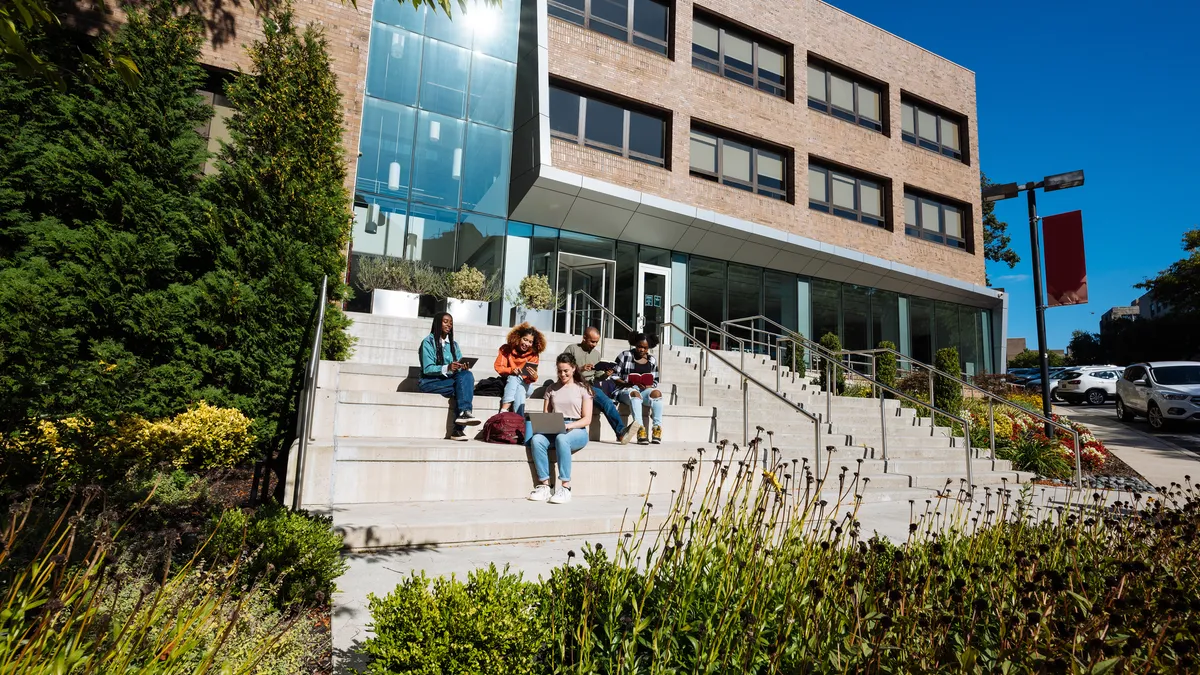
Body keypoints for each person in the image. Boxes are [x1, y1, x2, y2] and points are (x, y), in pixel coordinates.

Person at [527, 353, 593, 504]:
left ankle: (565, 487)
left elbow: (587, 419)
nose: (562, 374)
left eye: (566, 371)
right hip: (556, 426)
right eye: (559, 371)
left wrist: (569, 425)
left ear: (574, 369)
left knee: (562, 438)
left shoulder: (583, 389)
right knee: (537, 440)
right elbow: (546, 414)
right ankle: (545, 486)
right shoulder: (551, 389)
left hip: (577, 429)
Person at [561, 327, 639, 444]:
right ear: (584, 338)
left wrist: (605, 375)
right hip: (573, 383)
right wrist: (580, 369)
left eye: (596, 342)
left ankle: (621, 433)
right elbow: (563, 369)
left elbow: (597, 376)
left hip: (589, 386)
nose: (594, 344)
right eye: (592, 341)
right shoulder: (572, 349)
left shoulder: (596, 354)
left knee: (607, 402)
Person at [417, 312, 480, 441]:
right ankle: (458, 427)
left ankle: (463, 415)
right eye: (445, 322)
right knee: (463, 387)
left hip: (449, 381)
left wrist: (461, 367)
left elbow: (458, 365)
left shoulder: (453, 345)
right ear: (437, 323)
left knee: (467, 375)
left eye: (451, 323)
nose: (449, 325)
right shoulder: (428, 342)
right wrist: (448, 368)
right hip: (430, 382)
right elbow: (427, 368)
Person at [612, 332, 664, 445]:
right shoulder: (625, 355)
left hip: (644, 390)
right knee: (635, 394)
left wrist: (649, 385)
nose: (641, 350)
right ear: (635, 344)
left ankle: (657, 429)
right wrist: (626, 383)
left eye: (645, 348)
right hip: (625, 390)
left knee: (657, 393)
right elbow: (613, 375)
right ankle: (640, 430)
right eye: (639, 346)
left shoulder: (652, 361)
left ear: (649, 348)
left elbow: (655, 380)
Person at [495, 322, 546, 416]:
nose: (526, 344)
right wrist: (511, 370)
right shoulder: (506, 349)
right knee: (518, 387)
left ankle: (504, 409)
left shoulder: (533, 355)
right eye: (525, 339)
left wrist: (534, 376)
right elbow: (498, 367)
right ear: (519, 338)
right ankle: (519, 419)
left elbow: (530, 378)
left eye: (530, 342)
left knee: (517, 379)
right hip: (510, 384)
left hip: (527, 384)